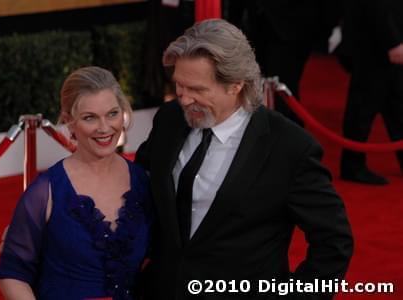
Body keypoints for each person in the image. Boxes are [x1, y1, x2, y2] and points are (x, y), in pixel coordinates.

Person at [135, 19, 353, 299]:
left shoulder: (289, 147)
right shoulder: (170, 120)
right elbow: (142, 184)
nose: (185, 99)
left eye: (198, 90)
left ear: (236, 85)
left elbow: (334, 243)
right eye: (180, 86)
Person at [0, 66, 152, 300]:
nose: (104, 127)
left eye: (112, 113)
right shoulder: (45, 191)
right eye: (90, 117)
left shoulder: (142, 181)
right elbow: (13, 273)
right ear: (69, 122)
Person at [226, 0, 342, 126]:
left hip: (294, 26)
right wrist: (232, 22)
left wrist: (332, 25)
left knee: (284, 90)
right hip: (255, 24)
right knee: (254, 88)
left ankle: (289, 139)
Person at [339, 0, 403, 185]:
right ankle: (352, 166)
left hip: (383, 40)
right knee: (363, 106)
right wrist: (393, 41)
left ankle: (353, 165)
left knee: (396, 103)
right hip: (374, 44)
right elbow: (377, 5)